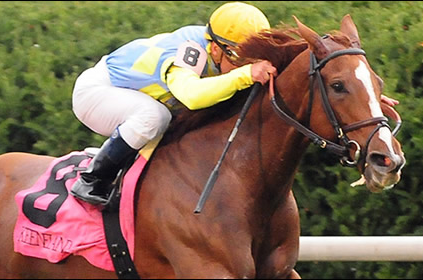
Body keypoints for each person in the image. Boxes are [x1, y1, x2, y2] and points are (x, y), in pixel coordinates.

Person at [70, 2, 277, 205]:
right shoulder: (189, 50)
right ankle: (94, 179)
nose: (243, 66)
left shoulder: (217, 49)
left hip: (130, 96)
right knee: (155, 116)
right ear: (215, 49)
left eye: (252, 60)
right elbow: (192, 96)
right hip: (96, 92)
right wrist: (245, 75)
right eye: (238, 59)